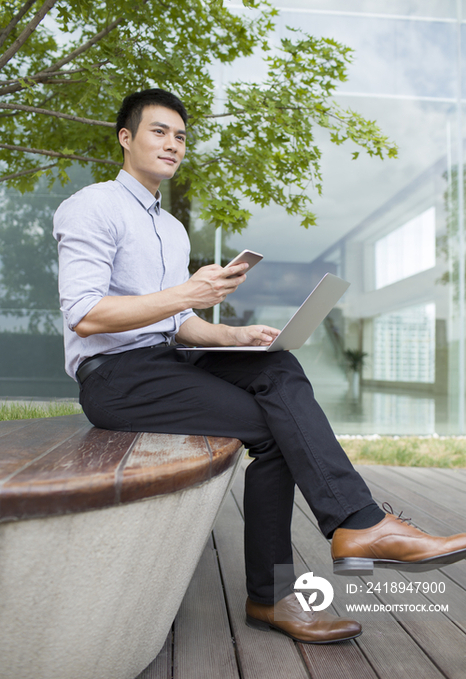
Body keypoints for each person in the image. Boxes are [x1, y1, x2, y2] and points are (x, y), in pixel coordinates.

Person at [53, 88, 466, 645]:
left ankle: (356, 527)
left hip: (165, 356)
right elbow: (85, 315)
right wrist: (188, 292)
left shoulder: (170, 228)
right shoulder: (91, 207)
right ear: (125, 139)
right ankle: (300, 574)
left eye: (179, 136)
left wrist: (231, 334)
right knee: (275, 427)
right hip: (115, 377)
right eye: (158, 132)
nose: (172, 144)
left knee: (279, 367)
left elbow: (175, 322)